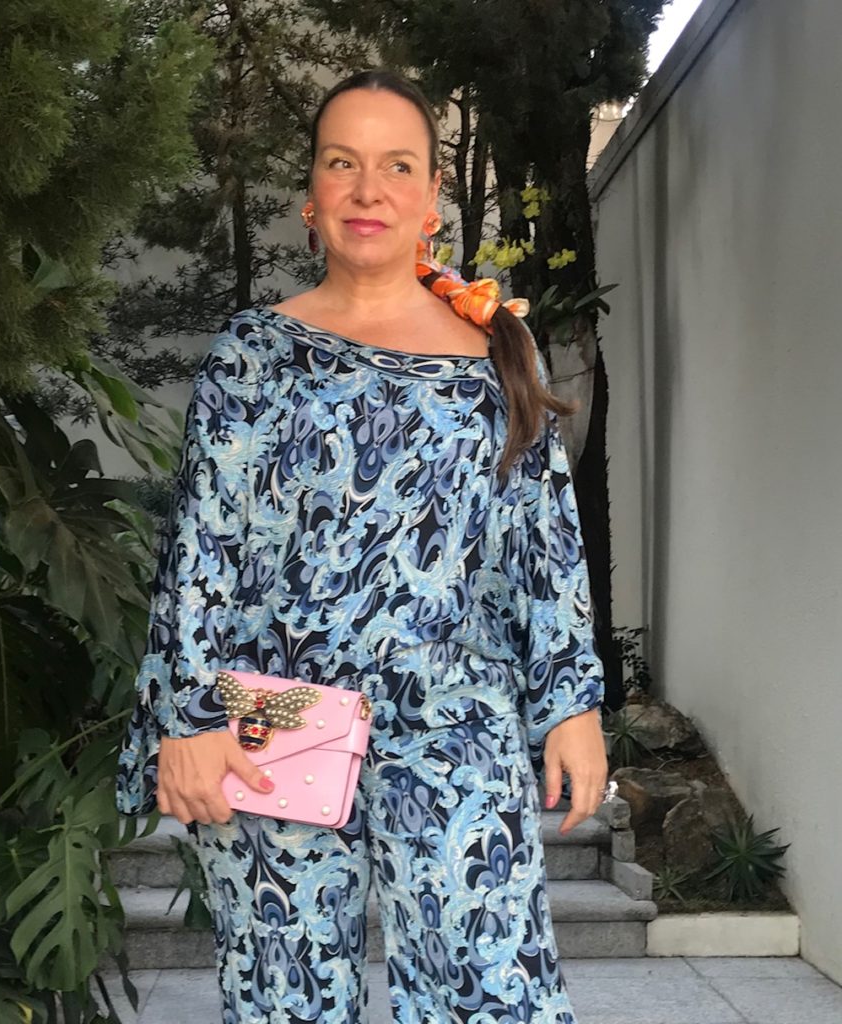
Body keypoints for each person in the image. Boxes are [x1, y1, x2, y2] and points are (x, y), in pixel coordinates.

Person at [117, 67, 610, 1024]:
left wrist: (571, 704)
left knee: (490, 994)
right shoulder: (252, 354)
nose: (368, 189)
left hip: (455, 719)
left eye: (396, 166)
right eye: (342, 163)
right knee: (286, 1001)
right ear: (311, 191)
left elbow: (542, 545)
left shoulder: (499, 353)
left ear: (431, 197)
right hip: (275, 720)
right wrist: (187, 721)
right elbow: (202, 553)